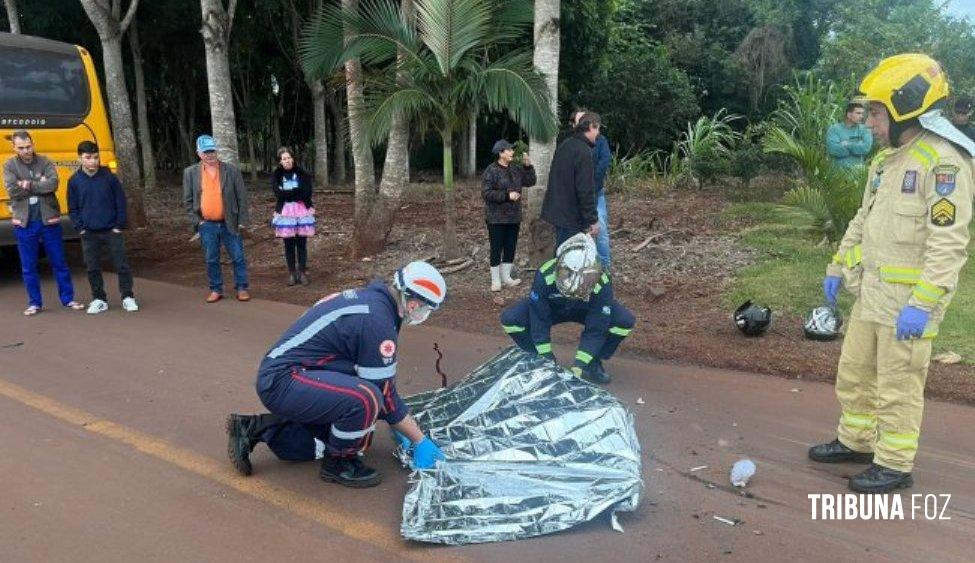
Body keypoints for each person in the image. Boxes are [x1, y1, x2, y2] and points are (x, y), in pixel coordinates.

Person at [812, 54, 973, 493]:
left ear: (907, 109)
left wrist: (923, 304)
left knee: (897, 385)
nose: (869, 123)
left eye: (878, 113)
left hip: (908, 306)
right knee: (856, 371)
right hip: (872, 295)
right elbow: (862, 222)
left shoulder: (943, 165)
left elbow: (949, 244)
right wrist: (837, 265)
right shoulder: (885, 163)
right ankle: (857, 441)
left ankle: (895, 463)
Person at [225, 261, 449, 487]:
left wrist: (398, 423)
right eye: (427, 309)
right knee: (366, 398)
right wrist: (418, 439)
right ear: (413, 304)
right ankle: (339, 463)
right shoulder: (377, 322)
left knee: (318, 443)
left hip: (294, 374)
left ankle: (253, 428)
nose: (424, 314)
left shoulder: (374, 301)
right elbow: (383, 391)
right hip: (284, 379)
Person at [499, 233, 634, 384]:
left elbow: (596, 328)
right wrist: (546, 356)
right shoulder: (544, 274)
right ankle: (537, 360)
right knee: (510, 320)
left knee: (624, 321)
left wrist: (579, 366)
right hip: (554, 309)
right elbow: (539, 318)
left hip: (585, 310)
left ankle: (592, 362)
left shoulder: (602, 282)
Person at [2, 130, 84, 316]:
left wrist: (27, 184)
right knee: (29, 265)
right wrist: (39, 183)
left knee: (59, 262)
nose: (26, 151)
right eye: (21, 148)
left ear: (33, 144)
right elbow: (12, 191)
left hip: (49, 220)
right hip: (24, 223)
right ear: (14, 147)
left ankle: (68, 299)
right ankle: (34, 303)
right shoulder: (9, 166)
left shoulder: (45, 161)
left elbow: (53, 184)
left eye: (28, 146)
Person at [67, 141, 138, 314]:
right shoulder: (74, 181)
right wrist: (80, 227)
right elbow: (72, 207)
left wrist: (118, 224)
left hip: (111, 230)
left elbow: (120, 201)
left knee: (121, 265)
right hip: (89, 232)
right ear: (80, 158)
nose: (92, 161)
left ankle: (127, 296)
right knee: (92, 267)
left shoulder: (109, 177)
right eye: (88, 157)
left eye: (96, 157)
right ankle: (99, 299)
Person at [182, 134, 251, 303]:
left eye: (212, 151)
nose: (210, 155)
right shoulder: (190, 173)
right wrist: (198, 222)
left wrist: (243, 220)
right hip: (207, 225)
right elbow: (188, 201)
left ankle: (242, 287)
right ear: (199, 153)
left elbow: (241, 196)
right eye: (206, 152)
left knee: (238, 256)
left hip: (230, 222)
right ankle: (216, 289)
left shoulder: (231, 170)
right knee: (211, 258)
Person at [482, 139, 536, 292]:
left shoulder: (516, 169)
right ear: (501, 153)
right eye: (509, 150)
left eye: (512, 150)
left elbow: (531, 181)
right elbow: (486, 193)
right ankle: (496, 280)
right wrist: (507, 196)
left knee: (510, 247)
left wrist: (527, 166)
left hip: (514, 216)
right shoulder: (491, 170)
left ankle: (506, 278)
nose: (512, 152)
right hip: (496, 218)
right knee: (496, 248)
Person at [541, 112, 601, 248]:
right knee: (569, 258)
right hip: (570, 216)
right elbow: (585, 189)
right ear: (591, 126)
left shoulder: (566, 145)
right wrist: (592, 220)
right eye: (598, 129)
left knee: (562, 251)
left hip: (558, 212)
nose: (598, 134)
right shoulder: (583, 152)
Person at [572, 109, 612, 269]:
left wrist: (590, 182)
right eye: (579, 120)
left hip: (596, 193)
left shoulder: (601, 140)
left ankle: (604, 269)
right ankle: (582, 267)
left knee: (600, 232)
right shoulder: (571, 143)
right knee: (578, 233)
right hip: (575, 196)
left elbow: (604, 161)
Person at [270, 147, 315, 286]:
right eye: (284, 159)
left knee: (302, 243)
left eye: (289, 158)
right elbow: (278, 194)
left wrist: (289, 192)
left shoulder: (302, 173)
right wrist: (296, 191)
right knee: (288, 243)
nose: (287, 161)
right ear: (280, 161)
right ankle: (291, 273)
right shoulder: (277, 175)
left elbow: (307, 192)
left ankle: (302, 272)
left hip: (302, 210)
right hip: (285, 212)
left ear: (293, 158)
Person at [826, 102, 873, 168]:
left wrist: (847, 144)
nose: (861, 116)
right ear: (849, 115)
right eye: (858, 113)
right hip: (837, 174)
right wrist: (858, 146)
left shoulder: (865, 130)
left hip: (858, 174)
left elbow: (866, 148)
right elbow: (834, 150)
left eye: (862, 113)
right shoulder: (834, 130)